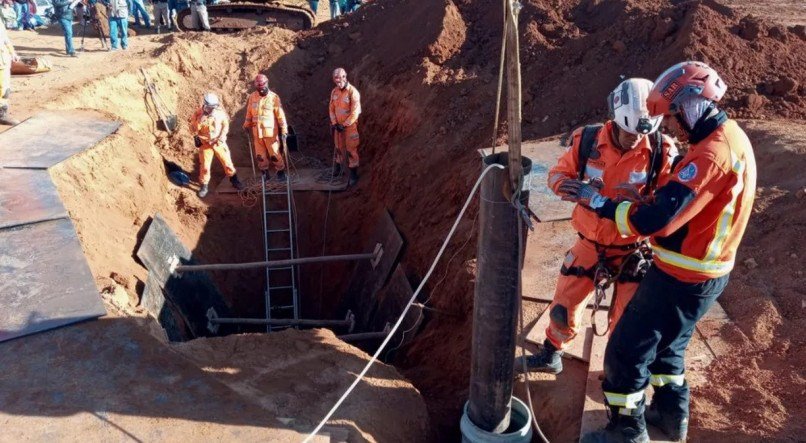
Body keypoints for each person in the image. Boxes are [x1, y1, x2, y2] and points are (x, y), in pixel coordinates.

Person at [571, 62, 757, 443]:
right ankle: (672, 417)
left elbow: (654, 221)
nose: (670, 126)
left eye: (672, 116)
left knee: (626, 351)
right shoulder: (730, 136)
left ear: (692, 105)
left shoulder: (710, 156)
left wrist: (602, 203)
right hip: (704, 272)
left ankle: (626, 430)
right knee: (669, 348)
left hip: (681, 276)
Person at [517, 78, 676, 375]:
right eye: (628, 132)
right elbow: (555, 175)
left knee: (627, 320)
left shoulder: (661, 150)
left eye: (640, 133)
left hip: (634, 249)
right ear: (615, 119)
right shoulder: (587, 141)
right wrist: (572, 189)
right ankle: (553, 352)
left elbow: (670, 203)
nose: (634, 139)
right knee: (564, 306)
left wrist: (642, 203)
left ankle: (617, 374)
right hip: (590, 243)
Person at [190, 93, 243, 198]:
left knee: (227, 162)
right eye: (209, 107)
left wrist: (222, 137)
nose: (211, 110)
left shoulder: (219, 113)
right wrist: (201, 120)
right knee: (205, 166)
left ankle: (234, 180)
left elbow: (225, 126)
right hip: (205, 144)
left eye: (213, 107)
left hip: (218, 142)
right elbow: (193, 129)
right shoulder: (198, 114)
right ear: (205, 105)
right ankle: (204, 186)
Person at [243, 73, 288, 181]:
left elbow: (280, 115)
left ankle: (280, 172)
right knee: (260, 156)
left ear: (266, 84)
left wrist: (284, 129)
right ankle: (264, 173)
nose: (261, 89)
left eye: (262, 86)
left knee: (274, 154)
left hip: (270, 133)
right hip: (256, 132)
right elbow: (249, 113)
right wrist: (246, 124)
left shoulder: (273, 98)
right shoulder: (253, 97)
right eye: (258, 86)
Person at [329, 67, 361, 186]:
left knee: (351, 150)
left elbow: (355, 112)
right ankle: (338, 169)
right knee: (338, 147)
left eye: (341, 77)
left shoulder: (353, 92)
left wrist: (345, 124)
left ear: (345, 77)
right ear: (334, 79)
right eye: (336, 78)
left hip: (349, 127)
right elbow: (331, 109)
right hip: (338, 127)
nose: (339, 80)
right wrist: (335, 123)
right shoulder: (334, 92)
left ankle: (353, 174)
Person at [0, 20, 18, 125]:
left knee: (4, 90)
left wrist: (12, 52)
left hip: (3, 60)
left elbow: (5, 38)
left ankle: (2, 114)